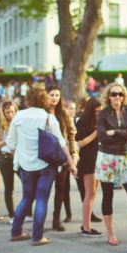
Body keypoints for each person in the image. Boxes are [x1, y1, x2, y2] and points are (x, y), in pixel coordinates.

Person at [6, 88, 77, 246]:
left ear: (28, 99)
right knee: (41, 199)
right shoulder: (48, 118)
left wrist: (20, 156)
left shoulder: (19, 116)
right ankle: (37, 237)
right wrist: (71, 163)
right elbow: (61, 142)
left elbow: (10, 143)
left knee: (26, 198)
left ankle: (16, 232)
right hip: (46, 165)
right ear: (44, 100)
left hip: (25, 166)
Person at [96, 82, 127, 245]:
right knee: (108, 195)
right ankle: (110, 233)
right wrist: (124, 134)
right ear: (108, 96)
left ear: (124, 97)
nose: (117, 97)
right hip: (107, 157)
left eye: (120, 94)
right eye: (114, 94)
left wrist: (115, 132)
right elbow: (101, 136)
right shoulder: (102, 114)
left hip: (124, 155)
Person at [47, 85, 77, 231]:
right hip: (45, 156)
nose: (54, 98)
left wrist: (73, 153)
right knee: (43, 188)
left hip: (62, 156)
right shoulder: (42, 113)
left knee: (60, 188)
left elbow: (71, 134)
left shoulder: (64, 114)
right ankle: (36, 216)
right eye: (51, 95)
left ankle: (56, 219)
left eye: (57, 95)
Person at [76, 97, 103, 237]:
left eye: (100, 111)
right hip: (88, 160)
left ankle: (86, 224)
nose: (99, 113)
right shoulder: (82, 122)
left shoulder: (99, 121)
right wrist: (96, 133)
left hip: (99, 159)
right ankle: (86, 227)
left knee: (92, 194)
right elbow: (80, 142)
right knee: (89, 193)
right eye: (96, 111)